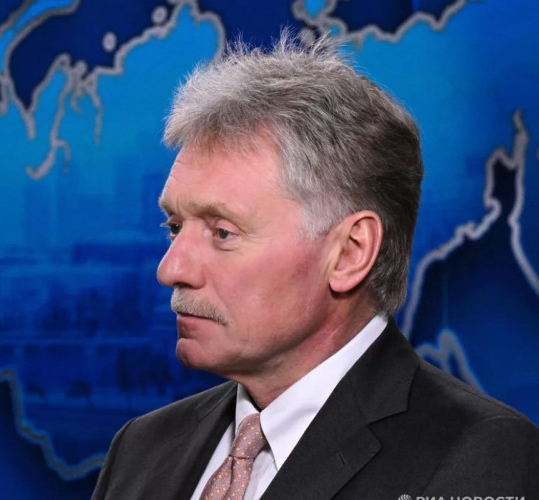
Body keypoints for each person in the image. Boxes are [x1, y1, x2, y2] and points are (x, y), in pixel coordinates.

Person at [92, 32, 539, 500]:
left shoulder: (479, 456)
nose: (171, 269)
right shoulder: (141, 448)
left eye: (223, 233)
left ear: (350, 252)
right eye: (174, 227)